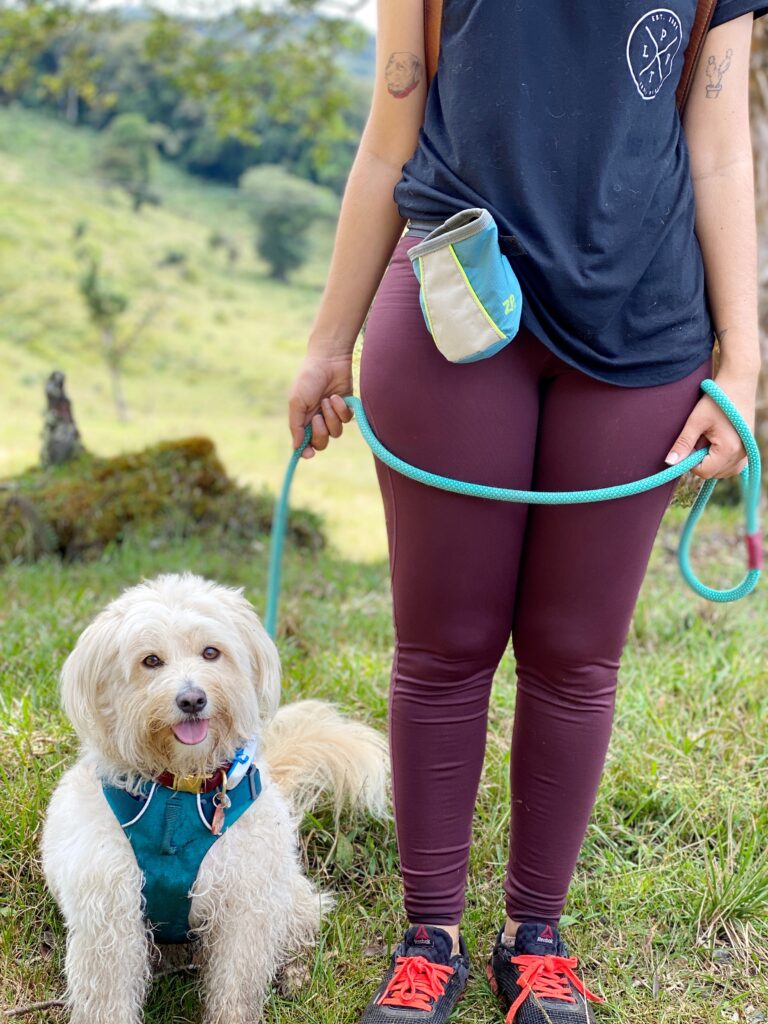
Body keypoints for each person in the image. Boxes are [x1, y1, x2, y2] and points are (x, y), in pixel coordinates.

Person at [288, 2, 766, 1021]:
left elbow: (718, 149)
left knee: (576, 651)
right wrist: (329, 343)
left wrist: (745, 361)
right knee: (444, 644)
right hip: (458, 299)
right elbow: (391, 132)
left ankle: (536, 941)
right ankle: (429, 940)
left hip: (642, 328)